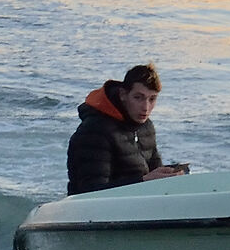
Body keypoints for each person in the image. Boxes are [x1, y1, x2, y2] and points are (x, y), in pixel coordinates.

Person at [66, 63, 189, 195]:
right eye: (138, 97)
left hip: (137, 202)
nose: (146, 107)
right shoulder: (95, 131)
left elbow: (154, 172)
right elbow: (90, 191)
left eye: (152, 99)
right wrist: (144, 181)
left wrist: (169, 175)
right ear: (123, 94)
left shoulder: (146, 127)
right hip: (91, 206)